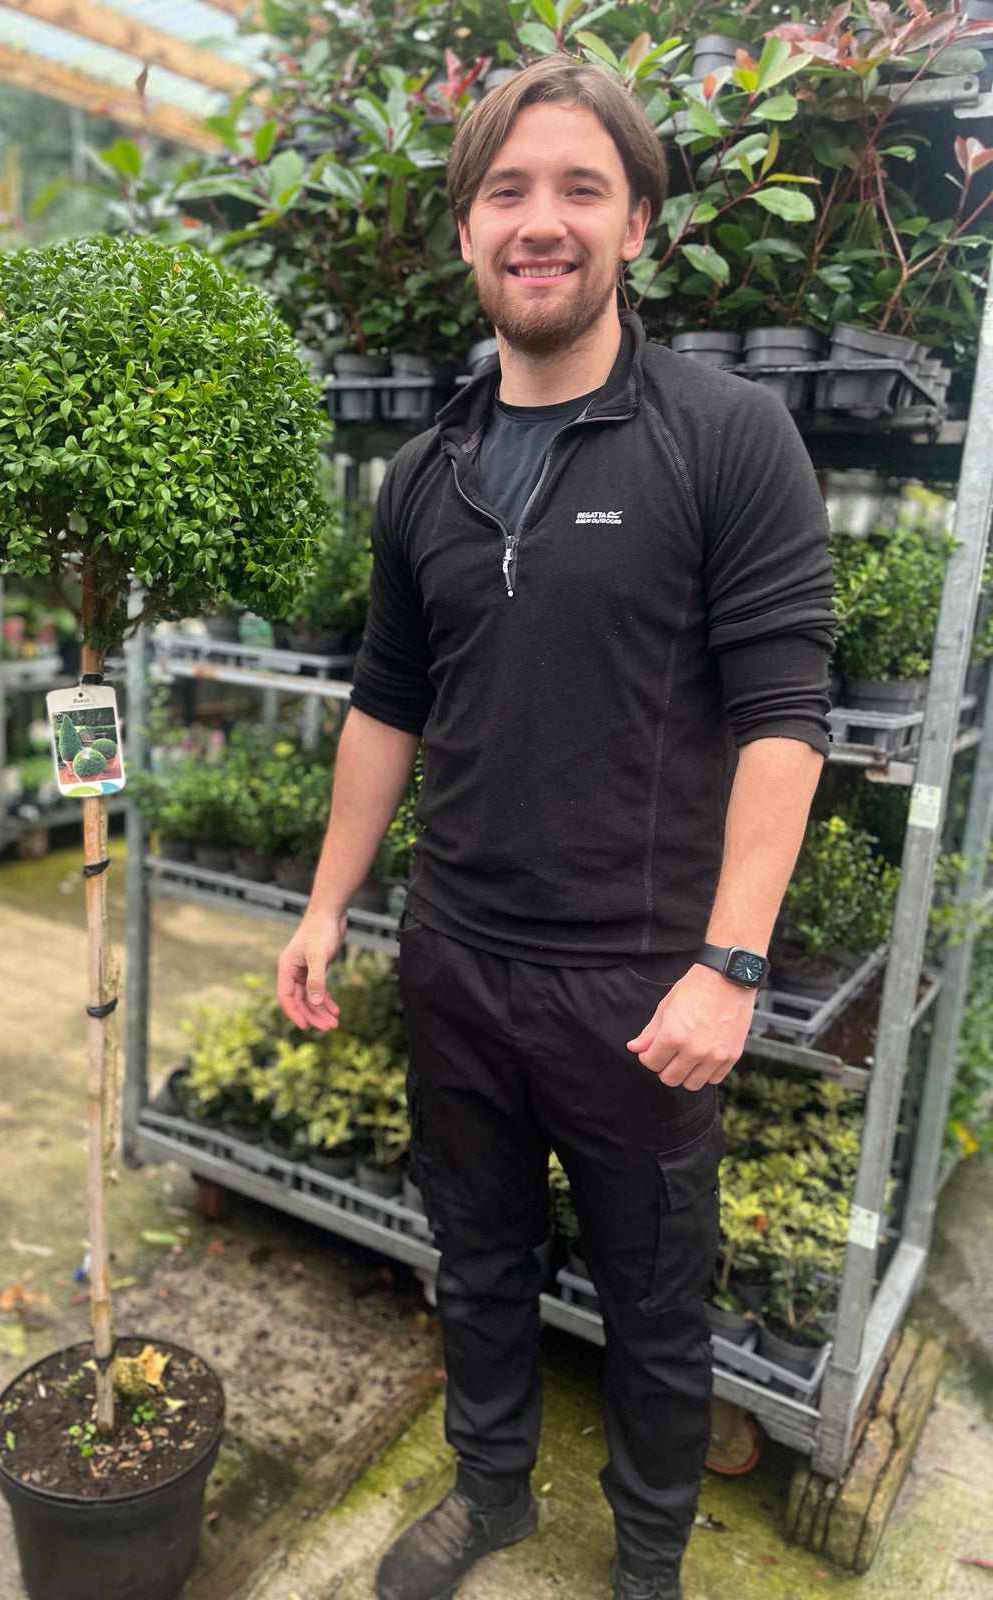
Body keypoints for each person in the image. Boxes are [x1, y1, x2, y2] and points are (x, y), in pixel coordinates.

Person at [277, 54, 834, 1600]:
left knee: (659, 1301)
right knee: (480, 1259)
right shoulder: (424, 473)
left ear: (638, 224)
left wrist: (731, 961)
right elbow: (387, 706)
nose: (542, 221)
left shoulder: (727, 439)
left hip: (642, 983)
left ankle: (649, 1560)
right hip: (456, 958)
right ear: (467, 230)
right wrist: (328, 904)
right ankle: (493, 1496)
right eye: (507, 191)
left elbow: (789, 716)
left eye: (580, 187)